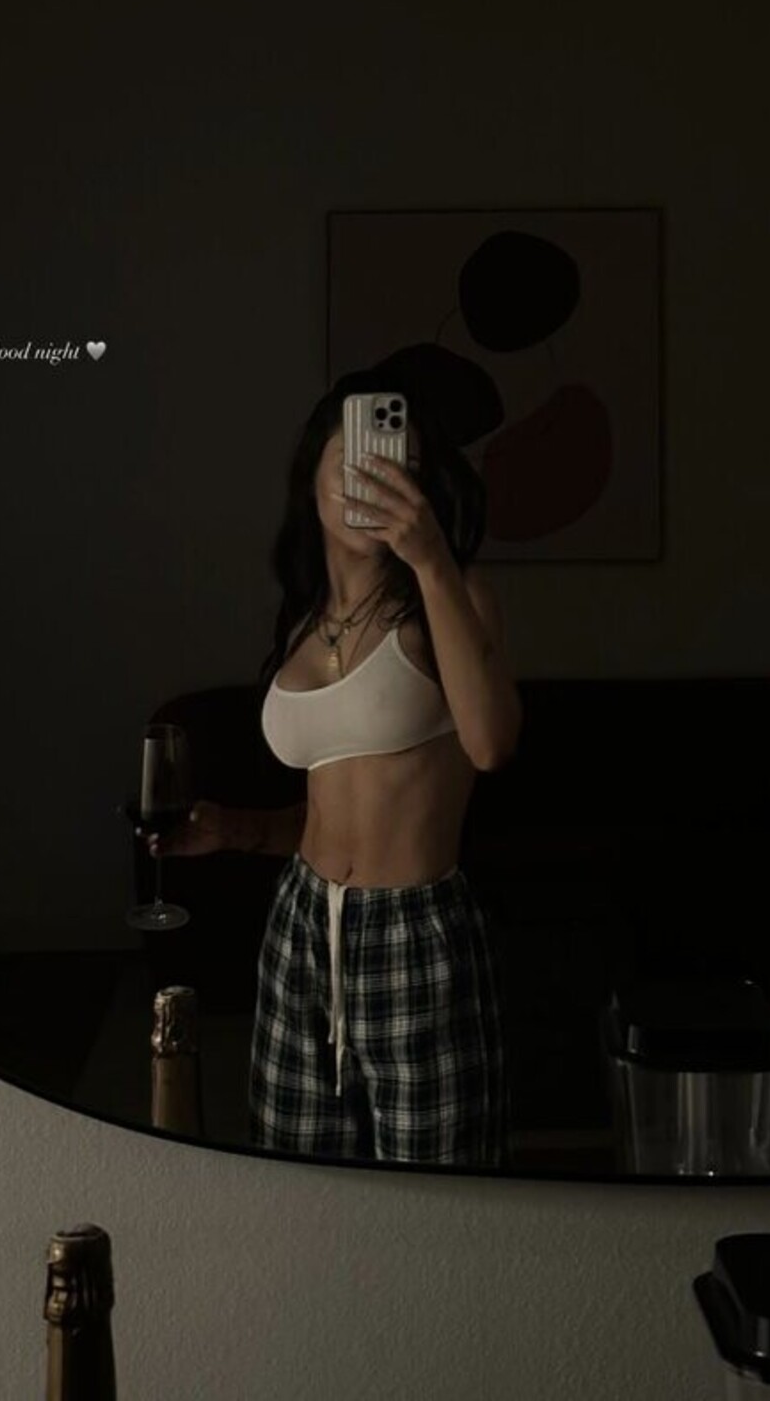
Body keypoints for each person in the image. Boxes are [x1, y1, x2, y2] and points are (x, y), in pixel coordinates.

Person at [148, 374, 523, 1165]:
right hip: (299, 931)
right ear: (309, 480)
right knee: (301, 1187)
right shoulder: (304, 624)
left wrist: (429, 557)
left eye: (398, 465)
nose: (376, 478)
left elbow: (491, 745)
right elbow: (326, 814)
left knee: (437, 1201)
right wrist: (235, 830)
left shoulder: (453, 598)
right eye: (356, 459)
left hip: (417, 937)